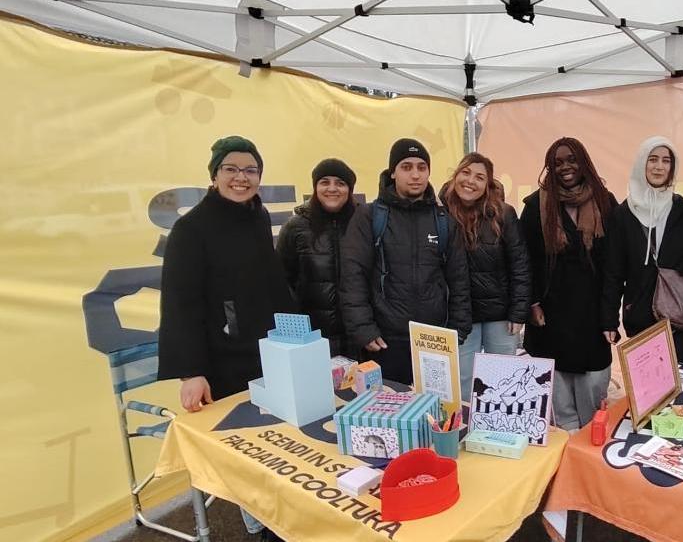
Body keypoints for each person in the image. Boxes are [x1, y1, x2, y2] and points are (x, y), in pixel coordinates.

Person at [157, 135, 293, 541]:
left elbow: (273, 284)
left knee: (276, 444)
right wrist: (191, 372)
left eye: (250, 170)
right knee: (245, 451)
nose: (241, 178)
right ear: (215, 175)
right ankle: (259, 523)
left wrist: (295, 336)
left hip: (267, 353)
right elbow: (180, 305)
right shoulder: (190, 229)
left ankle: (276, 519)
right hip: (223, 361)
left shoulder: (256, 216)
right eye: (231, 169)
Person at [339, 138, 471, 385]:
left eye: (422, 167)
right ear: (393, 172)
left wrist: (458, 329)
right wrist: (363, 328)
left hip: (434, 340)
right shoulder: (369, 216)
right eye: (406, 167)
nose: (415, 175)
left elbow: (459, 279)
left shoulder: (443, 220)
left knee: (436, 417)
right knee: (388, 417)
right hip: (385, 341)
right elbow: (353, 276)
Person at [520, 137, 618, 430]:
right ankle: (566, 450)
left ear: (584, 162)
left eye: (572, 160)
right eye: (558, 162)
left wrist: (610, 316)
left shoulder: (605, 201)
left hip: (592, 312)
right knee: (560, 404)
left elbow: (614, 264)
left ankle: (589, 449)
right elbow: (526, 260)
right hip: (551, 313)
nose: (565, 167)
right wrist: (532, 302)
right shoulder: (535, 205)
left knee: (593, 393)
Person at [602, 136, 683, 363]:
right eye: (653, 159)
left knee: (681, 381)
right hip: (640, 312)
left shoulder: (682, 209)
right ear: (642, 163)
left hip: (680, 313)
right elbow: (614, 271)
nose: (659, 166)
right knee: (648, 384)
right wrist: (609, 319)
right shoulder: (622, 214)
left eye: (666, 161)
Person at [441, 153, 530, 398]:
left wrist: (518, 311)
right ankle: (463, 431)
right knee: (461, 381)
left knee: (502, 379)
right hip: (458, 316)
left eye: (480, 177)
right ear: (455, 176)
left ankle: (496, 432)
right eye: (466, 173)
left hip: (499, 315)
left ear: (487, 184)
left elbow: (520, 265)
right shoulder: (439, 213)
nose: (471, 181)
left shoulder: (503, 214)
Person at [277, 158, 358, 357]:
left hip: (356, 338)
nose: (332, 188)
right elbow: (282, 281)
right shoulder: (295, 227)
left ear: (349, 189)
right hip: (312, 337)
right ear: (315, 187)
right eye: (325, 182)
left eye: (340, 183)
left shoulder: (361, 223)